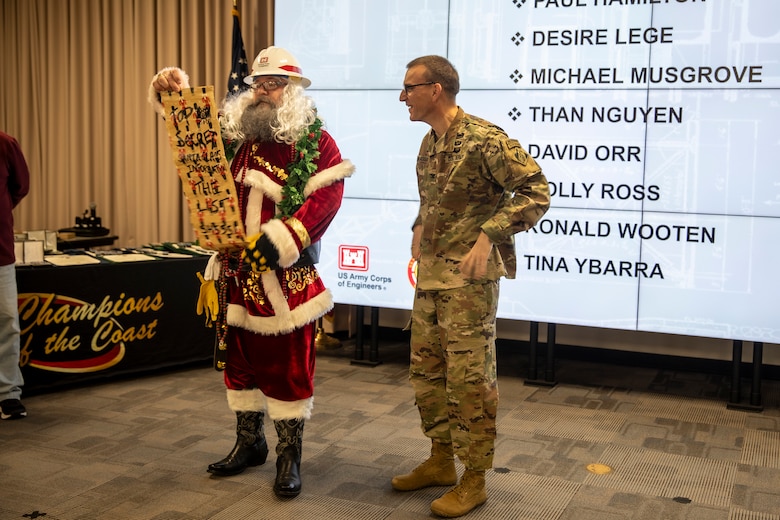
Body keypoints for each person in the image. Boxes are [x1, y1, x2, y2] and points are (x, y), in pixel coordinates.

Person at [149, 46, 353, 497]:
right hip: (234, 274)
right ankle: (250, 441)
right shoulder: (238, 133)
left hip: (284, 278)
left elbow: (327, 197)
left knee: (286, 368)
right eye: (258, 83)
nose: (262, 91)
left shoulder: (315, 142)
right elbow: (195, 138)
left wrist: (284, 237)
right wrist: (174, 91)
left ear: (293, 90)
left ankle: (289, 456)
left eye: (274, 84)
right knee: (238, 363)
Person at [391, 56, 550, 517]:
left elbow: (537, 190)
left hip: (468, 282)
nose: (403, 97)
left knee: (469, 380)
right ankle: (441, 461)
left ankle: (475, 479)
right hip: (431, 278)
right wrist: (419, 225)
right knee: (427, 372)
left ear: (435, 89)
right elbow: (435, 199)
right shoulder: (428, 143)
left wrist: (490, 234)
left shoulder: (484, 139)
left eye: (409, 88)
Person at [0, 131, 30, 421]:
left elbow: (20, 187)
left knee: (7, 322)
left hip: (0, 253)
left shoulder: (5, 144)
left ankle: (8, 394)